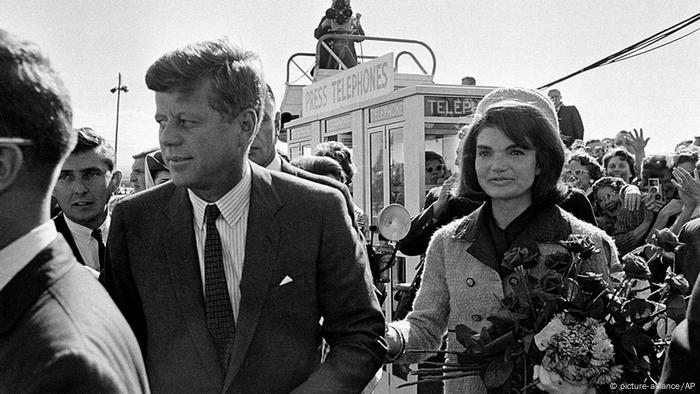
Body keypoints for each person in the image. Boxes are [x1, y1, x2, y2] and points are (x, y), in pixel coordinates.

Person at [100, 38, 386, 393]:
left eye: (186, 121)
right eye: (162, 121)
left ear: (245, 126)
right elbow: (116, 349)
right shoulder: (135, 221)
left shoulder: (316, 210)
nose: (168, 138)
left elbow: (362, 335)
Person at [385, 88, 617, 393]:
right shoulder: (447, 242)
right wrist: (388, 337)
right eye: (485, 152)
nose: (498, 165)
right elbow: (426, 327)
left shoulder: (587, 243)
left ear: (542, 162)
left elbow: (609, 348)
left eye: (516, 151)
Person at [0, 28, 149, 393]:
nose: (79, 188)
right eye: (68, 176)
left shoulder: (63, 364)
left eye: (90, 175)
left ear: (3, 166)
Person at [249, 85, 359, 231]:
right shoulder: (212, 194)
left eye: (259, 120)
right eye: (233, 122)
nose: (248, 133)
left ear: (277, 123)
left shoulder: (328, 198)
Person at [52, 127, 122, 272]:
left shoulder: (140, 239)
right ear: (51, 186)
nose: (79, 189)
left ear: (115, 181)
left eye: (91, 174)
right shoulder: (36, 249)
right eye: (65, 176)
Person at [314, 0, 365, 70]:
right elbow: (317, 35)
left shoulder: (350, 20)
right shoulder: (328, 19)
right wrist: (326, 23)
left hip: (348, 62)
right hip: (329, 61)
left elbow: (361, 37)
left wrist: (357, 25)